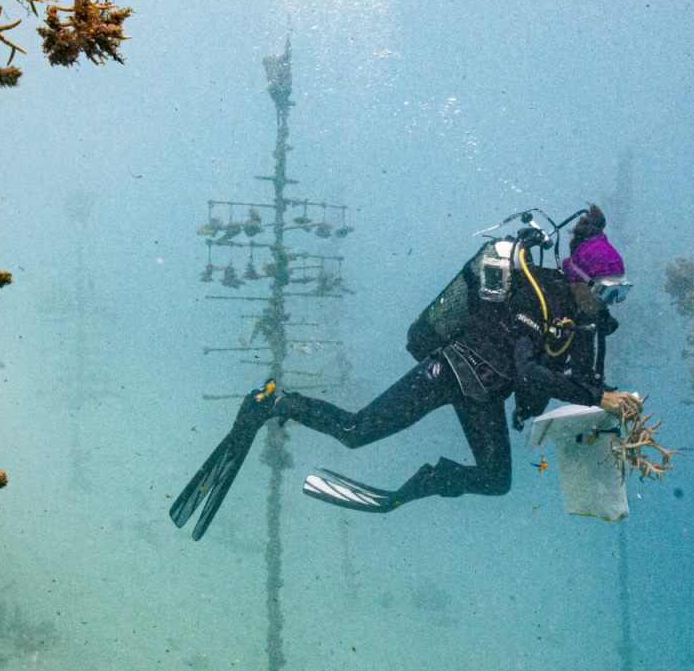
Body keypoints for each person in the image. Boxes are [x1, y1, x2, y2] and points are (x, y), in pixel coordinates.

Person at [171, 205, 635, 538]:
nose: (611, 302)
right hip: (451, 369)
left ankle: (418, 486)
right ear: (580, 280)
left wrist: (611, 400)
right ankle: (273, 403)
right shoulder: (540, 298)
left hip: (485, 394)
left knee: (496, 480)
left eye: (620, 293)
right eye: (608, 291)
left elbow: (581, 381)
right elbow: (528, 371)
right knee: (356, 431)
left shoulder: (584, 321)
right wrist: (599, 398)